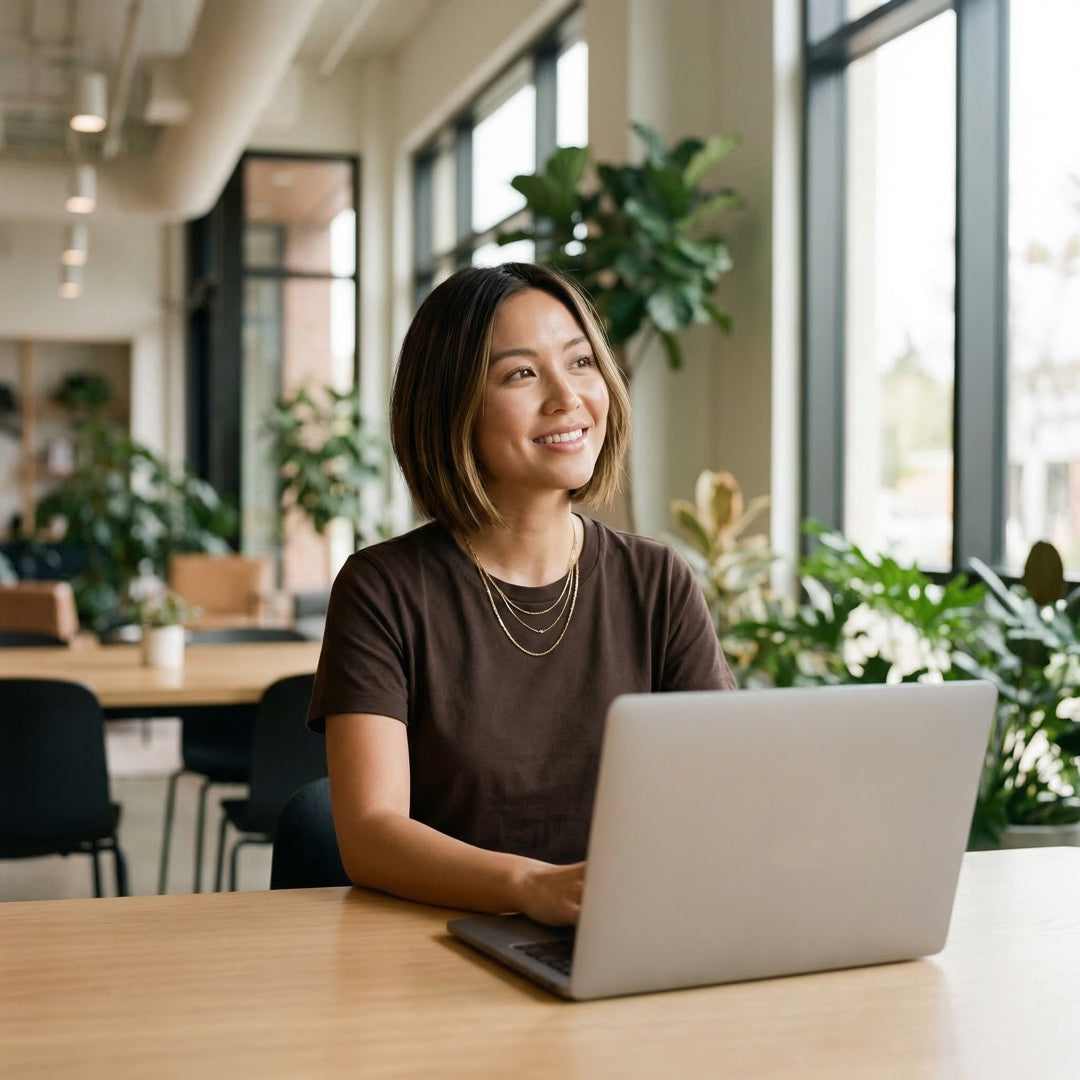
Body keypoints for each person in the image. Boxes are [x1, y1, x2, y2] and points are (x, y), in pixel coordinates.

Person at [308, 262, 736, 926]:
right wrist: (530, 887)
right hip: (438, 945)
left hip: (622, 934)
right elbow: (370, 833)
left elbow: (720, 790)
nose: (568, 398)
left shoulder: (656, 581)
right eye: (521, 374)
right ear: (452, 405)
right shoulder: (382, 590)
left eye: (582, 363)